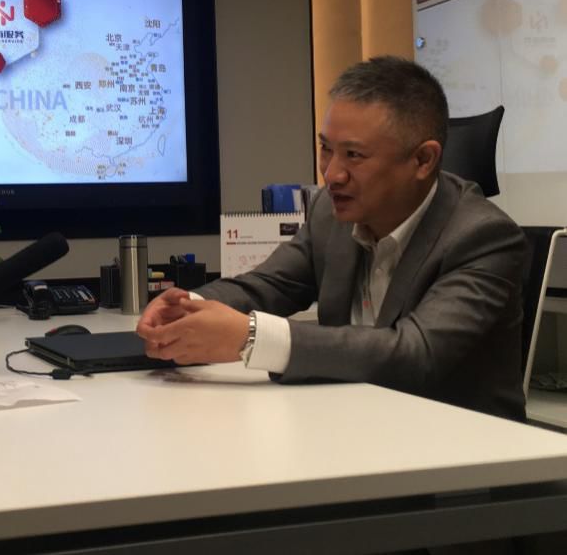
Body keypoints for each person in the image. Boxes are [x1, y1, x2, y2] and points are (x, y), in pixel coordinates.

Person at [137, 56, 527, 422]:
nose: (332, 174)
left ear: (423, 160)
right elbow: (269, 285)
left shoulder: (482, 237)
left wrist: (252, 337)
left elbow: (416, 354)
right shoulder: (331, 211)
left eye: (354, 155)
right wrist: (187, 307)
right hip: (352, 423)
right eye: (326, 149)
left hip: (459, 447)